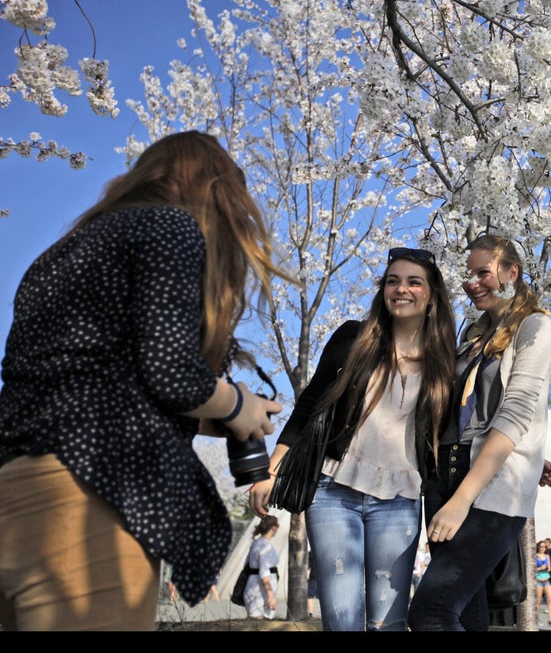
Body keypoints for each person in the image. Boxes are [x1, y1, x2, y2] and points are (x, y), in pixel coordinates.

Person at [0, 130, 289, 631]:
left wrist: (208, 417)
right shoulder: (170, 226)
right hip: (89, 489)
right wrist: (237, 403)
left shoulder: (60, 254)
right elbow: (171, 370)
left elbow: (95, 377)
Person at [249, 246, 457, 631]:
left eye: (414, 282)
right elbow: (310, 403)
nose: (401, 289)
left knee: (387, 623)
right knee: (342, 620)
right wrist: (272, 469)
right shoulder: (352, 338)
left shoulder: (445, 361)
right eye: (392, 281)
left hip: (400, 501)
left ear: (431, 295)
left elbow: (458, 430)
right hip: (333, 493)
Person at [407, 234, 551, 631]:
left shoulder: (535, 327)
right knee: (466, 617)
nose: (472, 282)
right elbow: (466, 410)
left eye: (483, 273)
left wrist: (462, 500)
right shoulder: (471, 335)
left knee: (430, 612)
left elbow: (517, 410)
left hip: (486, 492)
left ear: (512, 272)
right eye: (468, 274)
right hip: (443, 477)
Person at [242, 515, 281, 620]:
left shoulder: (256, 543)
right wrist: (270, 596)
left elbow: (246, 565)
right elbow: (264, 573)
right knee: (260, 621)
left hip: (253, 584)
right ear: (273, 527)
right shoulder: (265, 546)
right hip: (260, 591)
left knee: (255, 621)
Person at [535, 540, 551, 626]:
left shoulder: (547, 556)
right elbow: (532, 569)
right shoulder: (535, 556)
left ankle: (550, 620)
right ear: (538, 547)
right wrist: (540, 568)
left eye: (544, 546)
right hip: (538, 581)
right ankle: (537, 619)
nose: (543, 548)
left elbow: (550, 569)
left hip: (546, 580)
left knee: (550, 600)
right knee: (538, 601)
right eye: (541, 546)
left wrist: (547, 568)